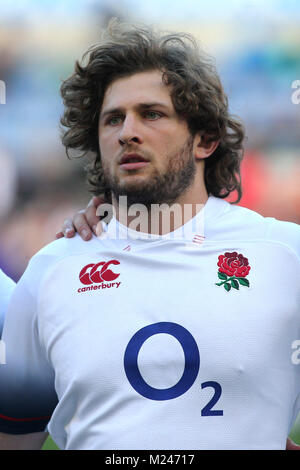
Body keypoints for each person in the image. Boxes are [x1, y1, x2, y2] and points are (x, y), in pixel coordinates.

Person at [0, 21, 300, 450]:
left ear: (206, 139)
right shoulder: (51, 271)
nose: (127, 132)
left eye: (152, 114)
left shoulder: (286, 255)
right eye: (112, 120)